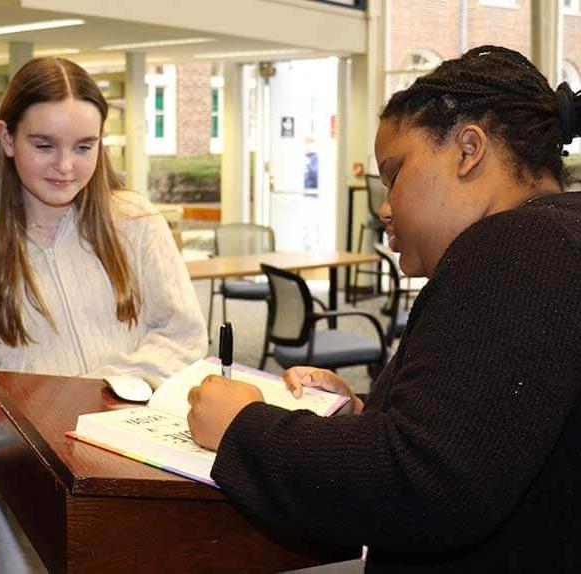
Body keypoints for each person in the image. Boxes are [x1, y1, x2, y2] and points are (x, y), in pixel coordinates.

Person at [187, 45, 581, 572]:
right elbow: (492, 435)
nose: (384, 207)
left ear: (468, 149)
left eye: (394, 174)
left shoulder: (517, 246)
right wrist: (369, 417)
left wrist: (243, 426)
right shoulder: (559, 238)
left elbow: (428, 484)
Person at [0, 57, 207, 572]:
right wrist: (40, 419)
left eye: (85, 147)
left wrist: (101, 393)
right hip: (28, 470)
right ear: (7, 138)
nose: (66, 166)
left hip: (132, 456)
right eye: (44, 146)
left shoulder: (136, 222)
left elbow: (183, 337)